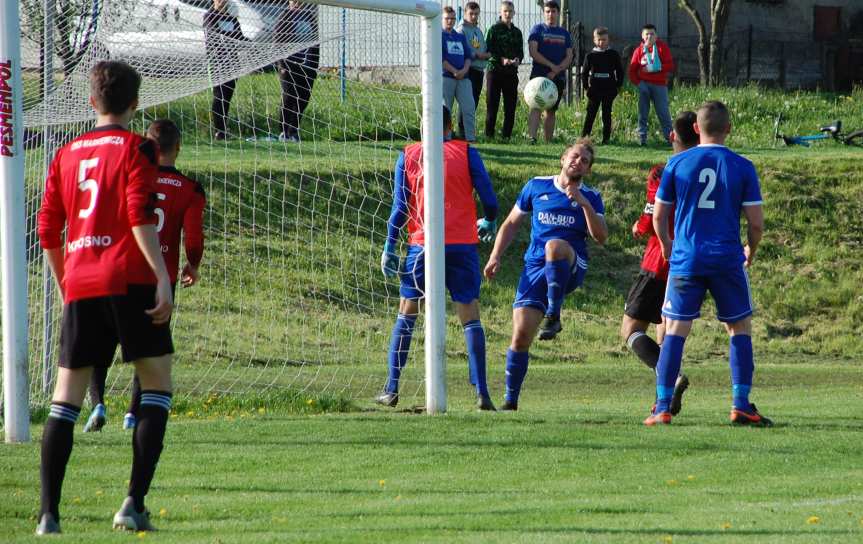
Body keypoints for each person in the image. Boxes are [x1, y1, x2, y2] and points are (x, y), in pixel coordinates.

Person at [36, 61, 174, 535]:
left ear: (91, 102)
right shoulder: (139, 148)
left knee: (65, 399)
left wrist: (64, 280)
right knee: (156, 386)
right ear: (136, 104)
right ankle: (132, 503)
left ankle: (48, 515)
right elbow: (139, 217)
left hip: (83, 282)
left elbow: (47, 227)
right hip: (130, 280)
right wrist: (162, 276)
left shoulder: (66, 152)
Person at [645, 100, 771, 427]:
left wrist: (667, 247)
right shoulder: (742, 166)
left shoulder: (677, 164)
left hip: (687, 258)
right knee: (739, 327)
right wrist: (750, 250)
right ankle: (741, 403)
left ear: (696, 128)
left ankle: (661, 407)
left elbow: (659, 216)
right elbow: (756, 224)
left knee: (674, 330)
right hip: (727, 258)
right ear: (729, 128)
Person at [83, 119, 207, 434]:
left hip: (121, 270)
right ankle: (133, 414)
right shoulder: (192, 190)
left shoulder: (131, 180)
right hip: (160, 278)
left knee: (103, 339)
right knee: (147, 347)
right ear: (178, 148)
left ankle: (97, 402)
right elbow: (193, 238)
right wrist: (192, 264)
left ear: (148, 147)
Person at [378, 106, 498, 410]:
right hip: (461, 245)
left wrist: (390, 247)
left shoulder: (408, 155)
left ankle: (391, 388)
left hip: (422, 246)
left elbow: (399, 210)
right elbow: (490, 200)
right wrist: (489, 220)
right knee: (470, 315)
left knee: (408, 311)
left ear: (423, 124)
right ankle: (482, 392)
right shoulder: (466, 152)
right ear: (449, 124)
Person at [484, 139, 607, 410]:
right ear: (563, 159)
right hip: (535, 267)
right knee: (520, 335)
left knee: (555, 246)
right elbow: (510, 224)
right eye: (575, 156)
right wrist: (495, 256)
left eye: (585, 161)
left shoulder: (592, 196)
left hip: (572, 265)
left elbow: (600, 237)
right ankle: (510, 401)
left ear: (587, 171)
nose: (578, 162)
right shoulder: (536, 186)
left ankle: (553, 314)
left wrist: (584, 204)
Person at [621, 110, 698, 417]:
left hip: (659, 261)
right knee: (667, 331)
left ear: (672, 136)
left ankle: (671, 380)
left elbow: (654, 216)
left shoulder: (662, 172)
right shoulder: (711, 170)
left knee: (630, 329)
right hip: (691, 262)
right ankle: (662, 403)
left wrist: (639, 227)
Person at [527, 1, 573, 144]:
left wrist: (557, 70)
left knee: (551, 110)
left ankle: (548, 141)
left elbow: (569, 56)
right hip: (539, 76)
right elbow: (533, 52)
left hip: (557, 77)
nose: (550, 14)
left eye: (553, 12)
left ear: (558, 13)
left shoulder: (564, 33)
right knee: (535, 106)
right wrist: (551, 66)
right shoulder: (537, 29)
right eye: (547, 11)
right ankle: (532, 138)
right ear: (544, 13)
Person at [204, 0, 248, 141]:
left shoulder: (231, 18)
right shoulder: (210, 16)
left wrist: (252, 44)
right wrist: (231, 39)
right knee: (219, 97)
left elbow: (239, 37)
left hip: (232, 65)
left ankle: (224, 130)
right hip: (217, 64)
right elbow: (214, 37)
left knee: (227, 98)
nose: (222, 2)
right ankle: (219, 131)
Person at [275, 1, 320, 142]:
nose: (297, 3)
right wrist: (282, 65)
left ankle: (294, 131)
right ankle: (283, 131)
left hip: (306, 66)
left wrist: (314, 66)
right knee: (289, 97)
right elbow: (278, 42)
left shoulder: (309, 17)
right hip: (289, 66)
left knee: (303, 98)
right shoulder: (285, 17)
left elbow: (315, 43)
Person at [628, 23, 674, 146]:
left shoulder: (662, 48)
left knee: (663, 112)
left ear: (656, 36)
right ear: (642, 36)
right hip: (644, 85)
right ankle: (641, 139)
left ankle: (670, 139)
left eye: (652, 34)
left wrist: (657, 67)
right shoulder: (639, 51)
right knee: (642, 113)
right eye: (647, 34)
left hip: (659, 86)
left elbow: (670, 65)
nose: (649, 36)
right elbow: (632, 71)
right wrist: (639, 84)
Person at [484, 1, 523, 140]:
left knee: (510, 107)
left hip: (511, 73)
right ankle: (489, 135)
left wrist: (518, 59)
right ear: (500, 12)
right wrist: (502, 59)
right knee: (492, 105)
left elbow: (520, 51)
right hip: (494, 71)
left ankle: (506, 136)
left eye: (510, 11)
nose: (508, 14)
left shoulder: (517, 32)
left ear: (514, 13)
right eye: (505, 11)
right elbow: (487, 50)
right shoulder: (493, 29)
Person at [580, 27, 623, 144]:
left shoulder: (613, 54)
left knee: (606, 114)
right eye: (599, 40)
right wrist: (586, 88)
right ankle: (584, 138)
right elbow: (584, 73)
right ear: (594, 40)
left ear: (608, 39)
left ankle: (606, 139)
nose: (601, 42)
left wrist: (617, 86)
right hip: (594, 91)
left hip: (609, 90)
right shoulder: (590, 56)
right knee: (590, 114)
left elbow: (620, 71)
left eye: (604, 40)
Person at [442, 6, 477, 142]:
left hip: (463, 78)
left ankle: (470, 138)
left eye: (452, 19)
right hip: (446, 77)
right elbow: (441, 59)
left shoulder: (460, 37)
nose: (450, 21)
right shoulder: (438, 35)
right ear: (442, 19)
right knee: (446, 109)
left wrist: (463, 70)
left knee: (469, 107)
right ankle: (447, 137)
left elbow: (468, 57)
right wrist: (454, 71)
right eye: (447, 19)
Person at [457, 2, 490, 139]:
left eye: (476, 14)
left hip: (479, 70)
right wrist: (478, 55)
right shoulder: (461, 30)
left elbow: (482, 47)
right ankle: (462, 132)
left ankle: (467, 131)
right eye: (471, 13)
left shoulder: (478, 30)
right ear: (465, 13)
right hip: (468, 69)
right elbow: (464, 49)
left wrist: (486, 54)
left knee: (474, 102)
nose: (474, 16)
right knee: (466, 102)